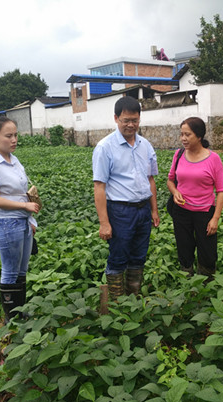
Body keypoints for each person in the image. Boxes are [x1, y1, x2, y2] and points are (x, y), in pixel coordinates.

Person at [93, 96, 160, 301]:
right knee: (118, 257)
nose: (131, 125)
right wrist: (104, 223)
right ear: (116, 118)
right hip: (120, 211)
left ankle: (133, 300)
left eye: (135, 120)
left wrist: (154, 210)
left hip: (142, 210)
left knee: (139, 256)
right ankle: (117, 305)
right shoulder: (105, 147)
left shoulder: (145, 145)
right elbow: (99, 187)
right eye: (126, 120)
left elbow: (150, 179)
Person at [0, 117, 39, 322]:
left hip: (22, 222)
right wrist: (24, 206)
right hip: (7, 224)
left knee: (21, 271)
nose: (14, 140)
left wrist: (30, 220)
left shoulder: (13, 159)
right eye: (8, 136)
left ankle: (20, 312)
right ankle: (11, 319)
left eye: (15, 135)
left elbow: (21, 192)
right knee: (10, 271)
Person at [167, 117, 223, 279]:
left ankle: (206, 284)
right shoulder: (178, 155)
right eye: (181, 134)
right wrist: (175, 192)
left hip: (205, 212)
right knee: (184, 249)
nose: (183, 139)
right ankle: (187, 282)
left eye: (188, 135)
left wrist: (215, 218)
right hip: (181, 212)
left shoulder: (213, 159)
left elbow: (221, 190)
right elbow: (170, 180)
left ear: (199, 136)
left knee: (207, 251)